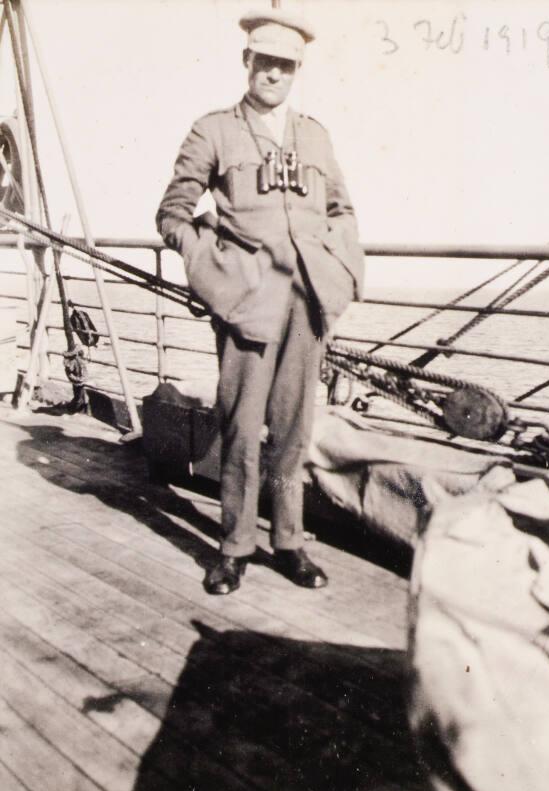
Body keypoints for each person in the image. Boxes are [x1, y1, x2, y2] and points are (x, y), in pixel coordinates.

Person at [156, 7, 364, 595]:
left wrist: (342, 273)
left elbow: (342, 212)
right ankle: (234, 546)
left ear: (297, 71)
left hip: (307, 302)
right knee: (243, 429)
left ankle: (290, 543)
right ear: (247, 60)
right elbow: (173, 214)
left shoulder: (316, 136)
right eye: (264, 61)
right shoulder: (214, 131)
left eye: (285, 66)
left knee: (296, 431)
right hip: (248, 304)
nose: (273, 74)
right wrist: (214, 272)